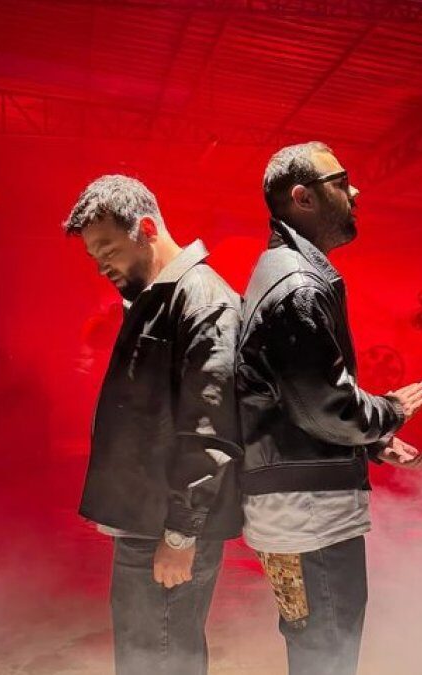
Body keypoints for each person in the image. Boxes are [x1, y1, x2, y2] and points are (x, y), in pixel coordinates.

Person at [235, 141, 422, 675]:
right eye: (341, 182)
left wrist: (374, 441)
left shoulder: (288, 272)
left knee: (320, 650)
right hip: (311, 520)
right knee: (327, 656)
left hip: (302, 514)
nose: (355, 191)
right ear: (303, 197)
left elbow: (299, 403)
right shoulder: (297, 285)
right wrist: (388, 411)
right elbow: (326, 408)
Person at [62, 175, 242, 675]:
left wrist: (181, 535)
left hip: (166, 529)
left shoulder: (201, 300)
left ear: (145, 228)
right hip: (148, 524)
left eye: (108, 250)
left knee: (159, 661)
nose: (101, 266)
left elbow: (210, 431)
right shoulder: (159, 299)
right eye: (94, 256)